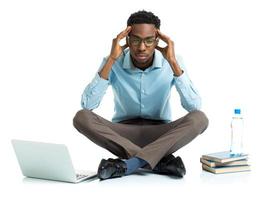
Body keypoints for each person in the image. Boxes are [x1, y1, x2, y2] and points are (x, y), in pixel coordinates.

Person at [73, 10, 209, 180]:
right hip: (122, 135)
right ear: (127, 39)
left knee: (200, 119)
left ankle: (129, 164)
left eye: (149, 40)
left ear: (157, 41)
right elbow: (88, 105)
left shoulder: (173, 60)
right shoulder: (113, 60)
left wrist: (173, 63)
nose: (142, 47)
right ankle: (158, 161)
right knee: (81, 117)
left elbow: (194, 107)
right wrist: (111, 60)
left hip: (161, 134)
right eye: (136, 40)